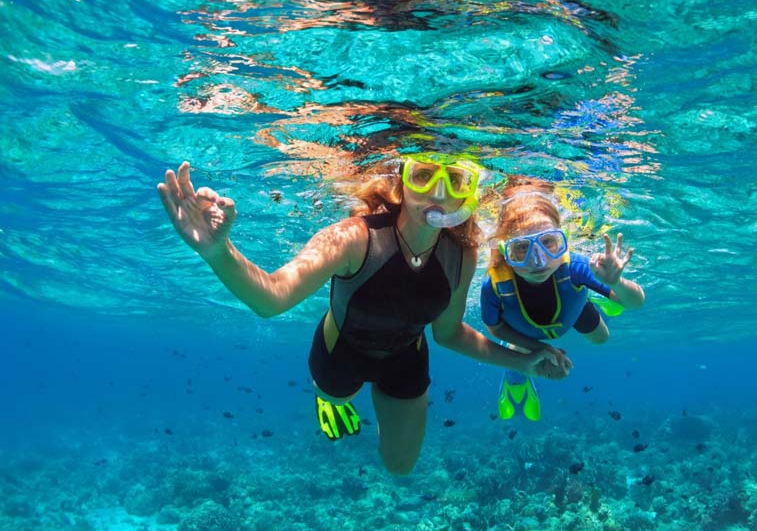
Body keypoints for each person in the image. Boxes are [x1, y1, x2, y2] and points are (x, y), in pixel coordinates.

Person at [157, 155, 567, 475]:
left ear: (468, 194)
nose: (439, 193)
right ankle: (328, 400)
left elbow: (448, 334)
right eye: (424, 176)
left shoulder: (463, 254)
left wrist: (524, 361)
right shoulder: (354, 237)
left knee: (400, 467)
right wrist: (218, 251)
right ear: (402, 183)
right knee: (336, 396)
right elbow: (272, 298)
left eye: (455, 180)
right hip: (341, 352)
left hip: (407, 357)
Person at [481, 182, 645, 421]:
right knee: (520, 355)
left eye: (548, 242)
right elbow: (494, 328)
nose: (538, 261)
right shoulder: (495, 285)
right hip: (523, 331)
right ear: (506, 251)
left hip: (573, 308)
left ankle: (597, 293)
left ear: (563, 240)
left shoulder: (575, 266)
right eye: (522, 248)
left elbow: (636, 303)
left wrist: (617, 283)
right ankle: (515, 379)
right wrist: (540, 348)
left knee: (602, 338)